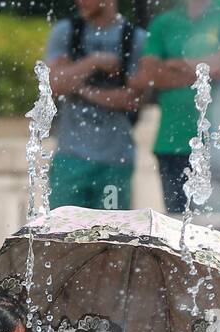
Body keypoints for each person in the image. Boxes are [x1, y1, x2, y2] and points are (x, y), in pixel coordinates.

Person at [131, 0, 220, 213]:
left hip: (219, 144)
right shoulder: (164, 22)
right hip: (171, 142)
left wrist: (175, 64)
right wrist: (204, 70)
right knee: (177, 231)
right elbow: (149, 74)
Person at [45, 0, 149, 211]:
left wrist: (78, 85)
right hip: (69, 157)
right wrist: (94, 62)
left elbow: (132, 100)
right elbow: (52, 86)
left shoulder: (135, 38)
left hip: (116, 160)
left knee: (113, 238)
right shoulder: (66, 32)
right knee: (61, 238)